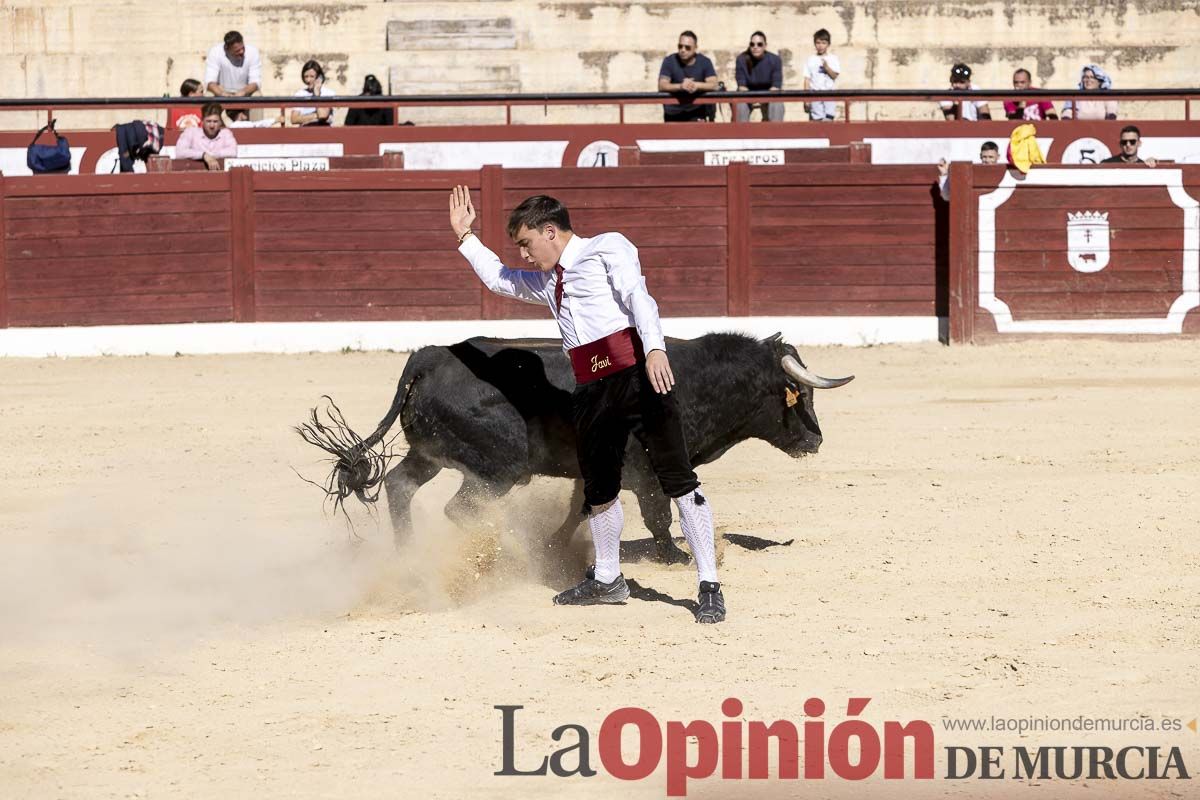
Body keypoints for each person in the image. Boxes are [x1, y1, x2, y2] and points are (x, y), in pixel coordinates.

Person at [447, 186, 726, 624]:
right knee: (599, 489)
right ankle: (609, 580)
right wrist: (466, 238)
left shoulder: (606, 248)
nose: (524, 255)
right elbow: (499, 279)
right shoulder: (546, 281)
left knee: (677, 478)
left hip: (638, 374)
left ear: (551, 231)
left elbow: (638, 297)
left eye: (526, 243)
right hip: (590, 388)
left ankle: (708, 581)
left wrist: (655, 349)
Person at [657, 30, 718, 123]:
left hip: (697, 111)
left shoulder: (705, 62)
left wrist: (695, 85)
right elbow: (662, 85)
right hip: (673, 112)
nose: (683, 50)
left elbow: (714, 84)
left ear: (695, 48)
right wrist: (681, 86)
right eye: (680, 46)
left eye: (687, 47)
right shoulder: (669, 61)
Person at [734, 31, 783, 122]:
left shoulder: (775, 60)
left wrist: (763, 99)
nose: (755, 47)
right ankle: (740, 133)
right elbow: (741, 87)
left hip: (769, 94)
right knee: (740, 104)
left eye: (759, 44)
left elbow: (776, 87)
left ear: (765, 46)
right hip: (747, 94)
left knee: (777, 102)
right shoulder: (741, 59)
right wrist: (753, 99)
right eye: (752, 44)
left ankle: (776, 132)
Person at [176, 102, 238, 170]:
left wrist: (210, 156)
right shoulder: (191, 132)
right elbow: (180, 152)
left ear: (220, 122)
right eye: (208, 121)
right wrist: (203, 155)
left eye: (215, 121)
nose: (212, 126)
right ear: (202, 121)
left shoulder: (226, 133)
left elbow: (233, 151)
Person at [204, 30, 262, 102]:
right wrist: (221, 93)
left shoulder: (252, 52)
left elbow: (255, 82)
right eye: (237, 50)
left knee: (257, 95)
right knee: (208, 95)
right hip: (222, 91)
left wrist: (243, 92)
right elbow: (210, 82)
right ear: (226, 49)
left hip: (245, 91)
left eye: (242, 48)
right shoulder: (215, 52)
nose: (241, 52)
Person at [803, 28, 840, 121]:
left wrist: (827, 68)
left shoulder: (833, 58)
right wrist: (806, 99)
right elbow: (807, 79)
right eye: (818, 43)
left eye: (823, 43)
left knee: (829, 118)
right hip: (815, 93)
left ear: (828, 44)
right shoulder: (810, 59)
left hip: (829, 93)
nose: (820, 46)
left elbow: (834, 76)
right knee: (817, 120)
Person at [290, 60, 336, 126]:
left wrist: (317, 94)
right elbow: (294, 119)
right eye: (306, 76)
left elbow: (323, 115)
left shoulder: (328, 93)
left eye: (312, 76)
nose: (308, 80)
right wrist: (315, 115)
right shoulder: (300, 94)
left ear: (319, 77)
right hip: (305, 132)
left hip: (323, 132)